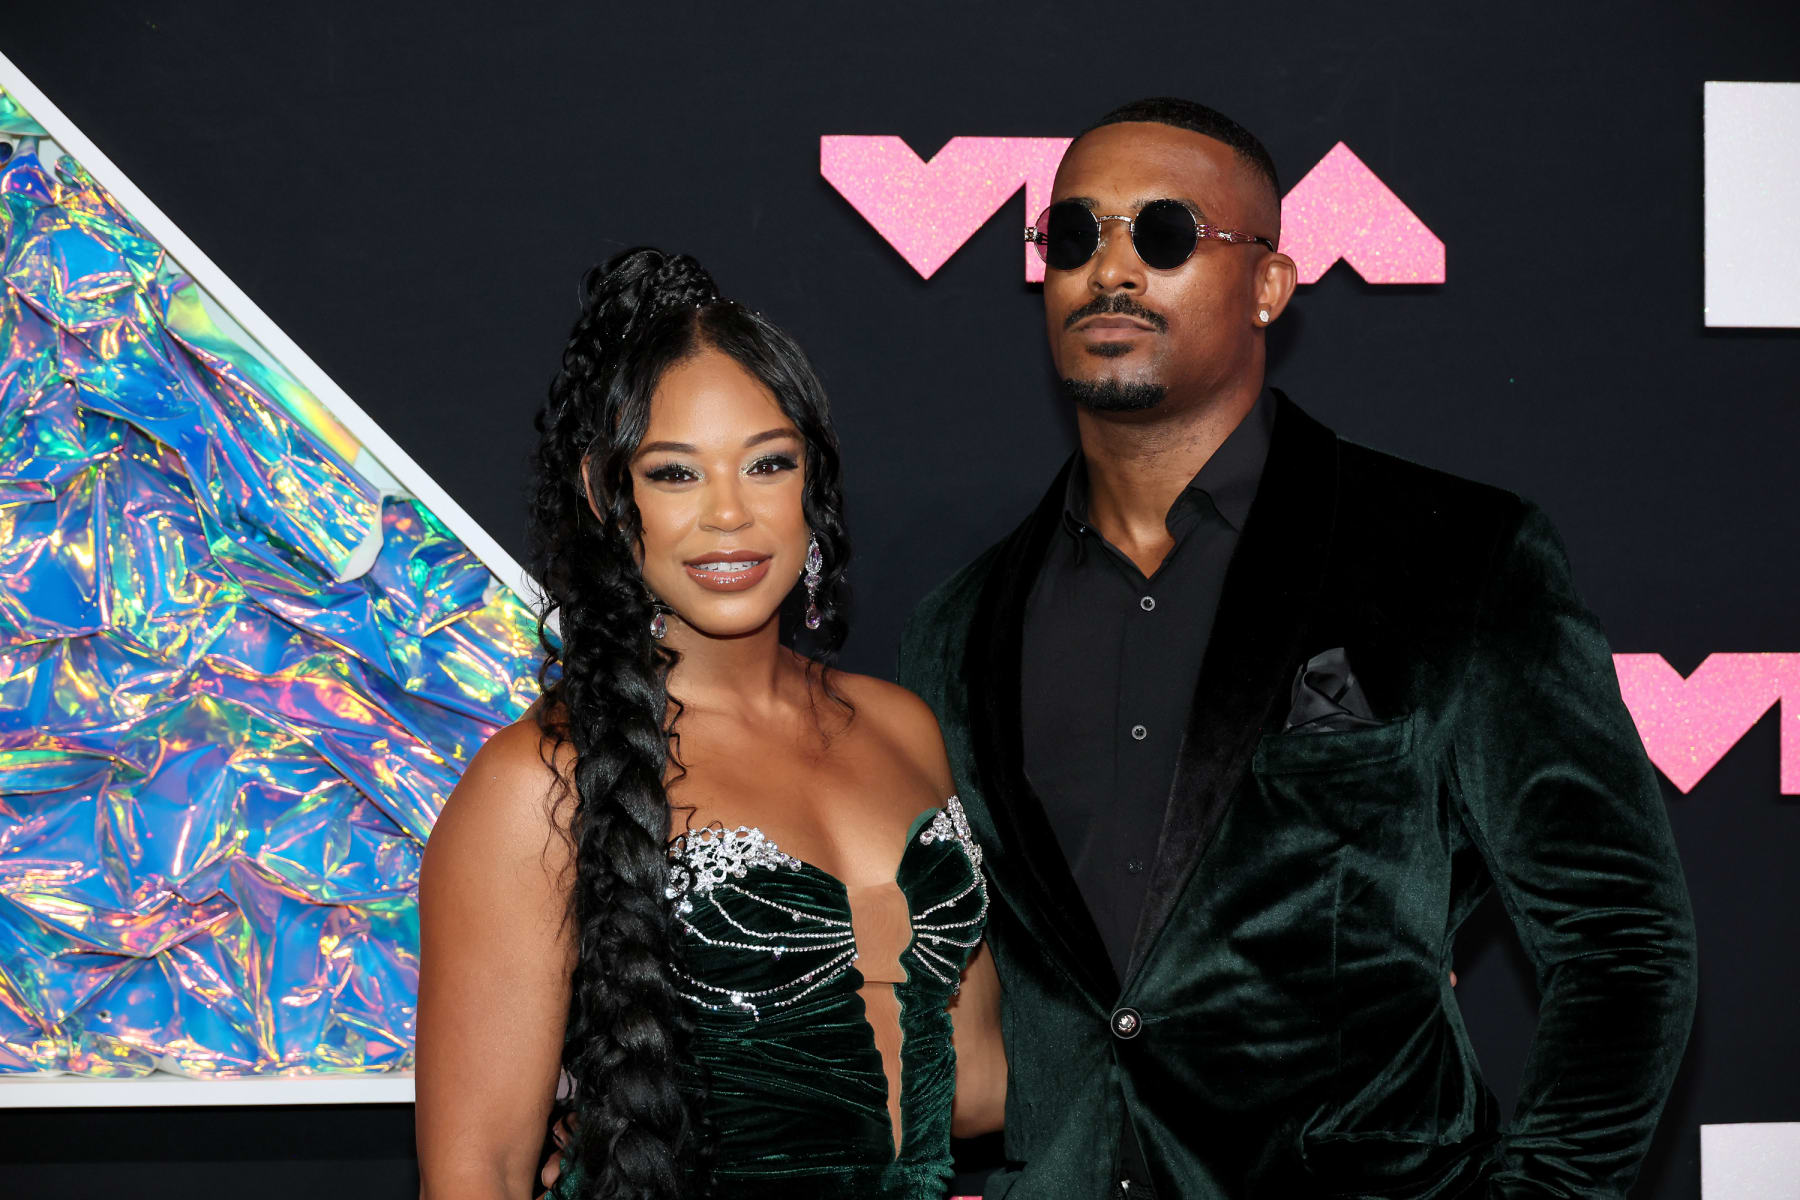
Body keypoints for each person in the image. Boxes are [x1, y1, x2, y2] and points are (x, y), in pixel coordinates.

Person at [898, 97, 1698, 1198]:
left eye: (1166, 234)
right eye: (1073, 236)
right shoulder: (959, 628)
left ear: (1269, 285)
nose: (1110, 271)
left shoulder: (1455, 557)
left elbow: (1623, 944)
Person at [414, 248, 1006, 1200]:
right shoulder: (538, 784)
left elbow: (973, 1086)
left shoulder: (901, 728)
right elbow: (475, 1172)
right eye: (675, 474)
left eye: (767, 463)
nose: (729, 514)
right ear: (608, 496)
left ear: (812, 481)